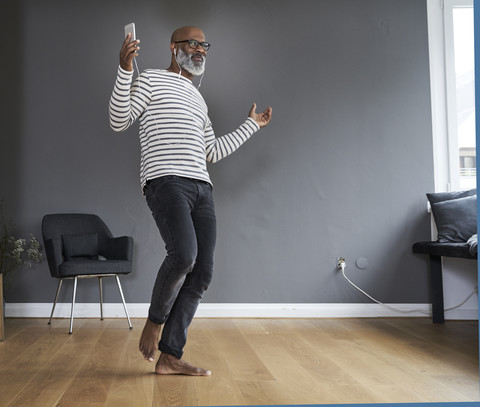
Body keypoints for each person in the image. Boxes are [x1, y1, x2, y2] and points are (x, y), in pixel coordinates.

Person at [109, 26, 272, 376]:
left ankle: (170, 356)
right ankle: (155, 322)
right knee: (184, 255)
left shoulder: (198, 98)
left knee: (202, 273)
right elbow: (119, 120)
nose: (200, 50)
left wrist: (251, 126)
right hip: (165, 180)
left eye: (204, 46)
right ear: (174, 47)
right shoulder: (150, 79)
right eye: (193, 43)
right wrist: (125, 70)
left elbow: (211, 151)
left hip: (202, 187)